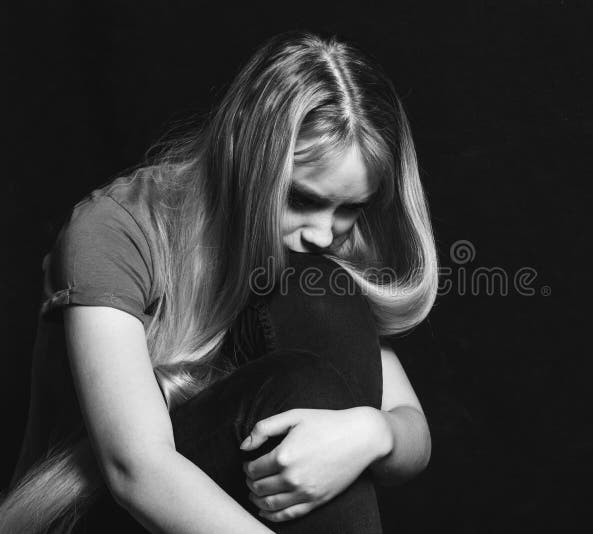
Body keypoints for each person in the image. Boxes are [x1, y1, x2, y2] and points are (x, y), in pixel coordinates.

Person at [0, 29, 439, 533]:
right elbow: (134, 469)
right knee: (300, 382)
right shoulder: (112, 230)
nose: (325, 232)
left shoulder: (318, 253)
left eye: (350, 208)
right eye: (302, 199)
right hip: (94, 513)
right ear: (247, 159)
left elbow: (412, 428)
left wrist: (372, 430)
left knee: (317, 319)